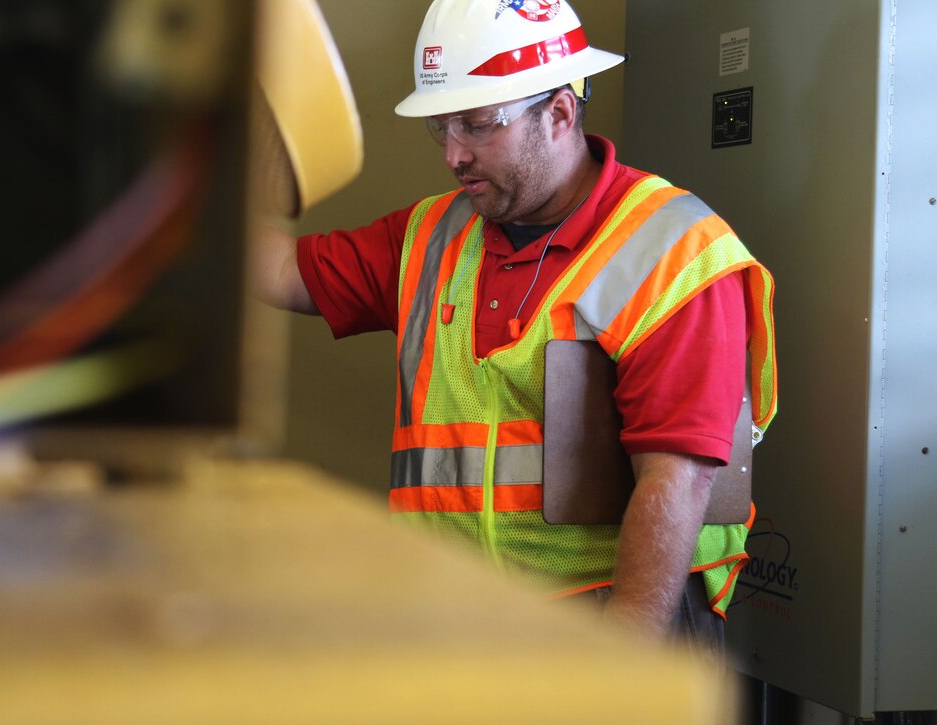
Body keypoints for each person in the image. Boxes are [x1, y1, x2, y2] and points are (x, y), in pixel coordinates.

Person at [256, 0, 777, 656]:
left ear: (559, 112)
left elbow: (677, 481)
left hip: (614, 620)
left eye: (477, 126)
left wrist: (616, 672)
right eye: (442, 128)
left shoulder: (671, 251)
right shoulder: (430, 235)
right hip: (460, 617)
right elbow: (279, 268)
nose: (453, 155)